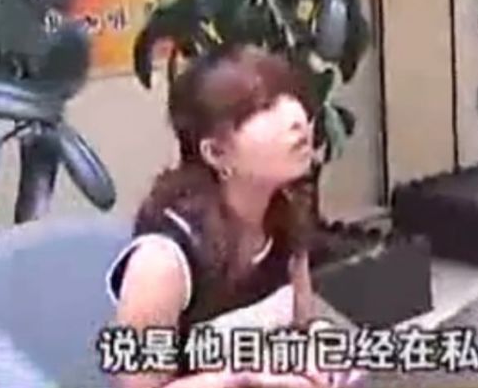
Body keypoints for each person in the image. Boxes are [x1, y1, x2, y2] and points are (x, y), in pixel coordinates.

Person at [106, 45, 360, 387]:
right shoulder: (163, 261)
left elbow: (302, 328)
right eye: (264, 108)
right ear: (216, 152)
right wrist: (238, 377)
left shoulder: (285, 215)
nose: (297, 118)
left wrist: (319, 347)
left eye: (290, 97)